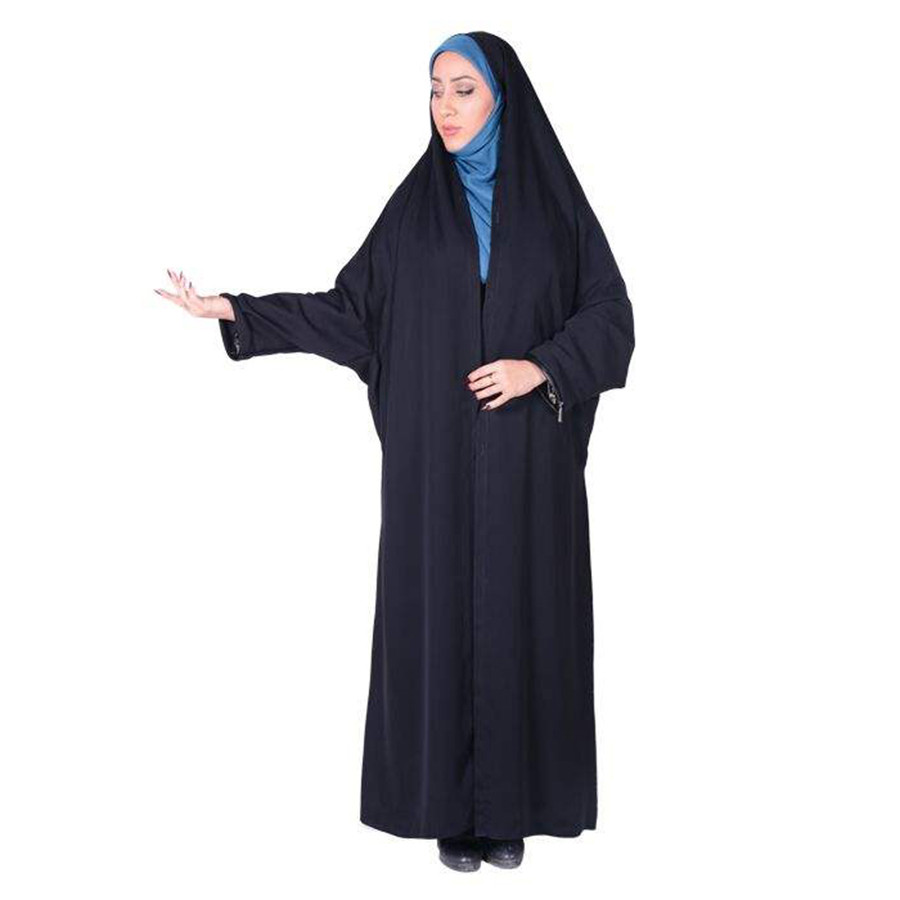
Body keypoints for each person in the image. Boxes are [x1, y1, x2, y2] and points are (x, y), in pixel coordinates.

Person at [155, 30, 635, 873]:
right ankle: (451, 811)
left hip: (528, 468)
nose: (445, 107)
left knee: (524, 618)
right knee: (439, 617)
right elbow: (351, 312)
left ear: (503, 100)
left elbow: (611, 316)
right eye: (435, 89)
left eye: (463, 90)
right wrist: (237, 310)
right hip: (436, 466)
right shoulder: (416, 211)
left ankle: (513, 812)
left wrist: (540, 367)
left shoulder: (556, 209)